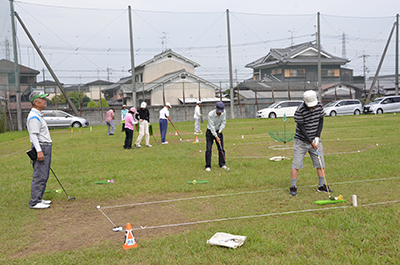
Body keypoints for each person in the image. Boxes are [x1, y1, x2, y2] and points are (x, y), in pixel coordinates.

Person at [289, 90, 332, 196]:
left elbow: (321, 120)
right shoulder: (299, 110)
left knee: (320, 163)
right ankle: (293, 187)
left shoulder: (319, 106)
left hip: (315, 140)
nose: (312, 108)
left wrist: (317, 136)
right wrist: (310, 141)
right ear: (304, 102)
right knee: (296, 164)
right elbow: (302, 128)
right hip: (301, 141)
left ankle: (322, 186)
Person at [26, 92, 52, 209]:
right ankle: (35, 201)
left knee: (44, 174)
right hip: (41, 147)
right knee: (39, 174)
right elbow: (34, 135)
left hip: (44, 146)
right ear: (36, 102)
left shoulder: (38, 115)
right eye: (42, 99)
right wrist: (39, 151)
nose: (45, 101)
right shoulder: (34, 117)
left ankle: (39, 198)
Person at [205, 102, 229, 171]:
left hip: (219, 131)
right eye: (219, 111)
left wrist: (219, 132)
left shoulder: (224, 112)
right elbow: (211, 126)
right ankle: (208, 166)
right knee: (209, 149)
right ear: (215, 108)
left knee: (221, 149)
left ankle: (222, 164)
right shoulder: (210, 114)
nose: (220, 113)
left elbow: (223, 122)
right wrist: (216, 136)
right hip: (210, 132)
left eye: (221, 111)